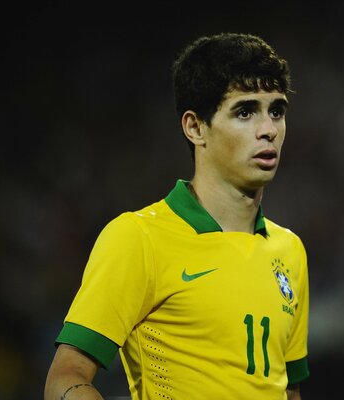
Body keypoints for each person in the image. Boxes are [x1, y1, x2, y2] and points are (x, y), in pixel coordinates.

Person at [44, 32, 310, 400]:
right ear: (195, 127)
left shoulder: (290, 251)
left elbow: (289, 390)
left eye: (276, 111)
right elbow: (66, 377)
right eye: (245, 112)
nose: (268, 130)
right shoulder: (138, 238)